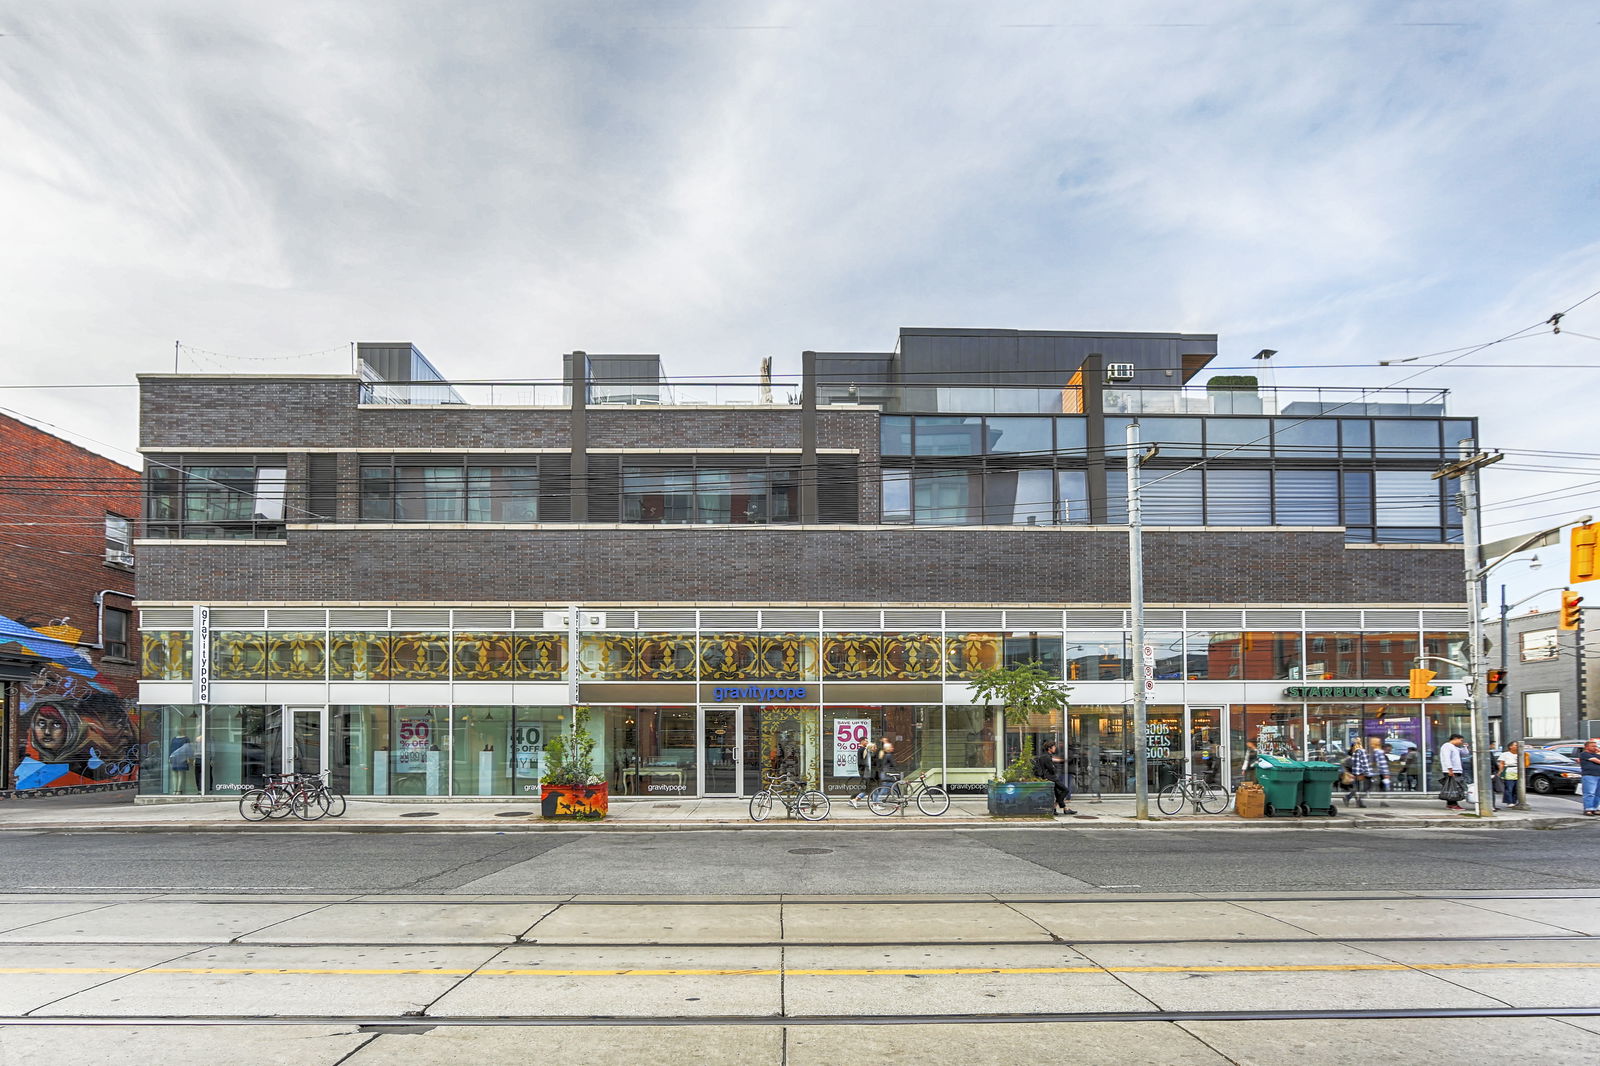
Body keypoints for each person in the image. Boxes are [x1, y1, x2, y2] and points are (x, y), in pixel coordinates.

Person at [1032, 740, 1076, 816]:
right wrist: (1054, 767)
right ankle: (1054, 807)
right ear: (1049, 748)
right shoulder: (1047, 757)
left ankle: (1064, 809)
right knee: (1065, 790)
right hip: (1051, 778)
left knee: (1058, 793)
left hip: (1048, 777)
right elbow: (1052, 769)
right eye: (1054, 746)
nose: (1055, 748)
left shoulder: (1044, 756)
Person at [1438, 733, 1467, 811]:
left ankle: (1450, 803)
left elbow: (1465, 753)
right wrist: (1450, 769)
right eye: (1460, 740)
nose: (1461, 742)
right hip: (1451, 770)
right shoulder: (1447, 746)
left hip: (1456, 770)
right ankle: (1453, 804)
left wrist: (1465, 747)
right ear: (1455, 739)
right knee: (1454, 787)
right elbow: (1447, 758)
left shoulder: (1455, 747)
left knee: (1453, 787)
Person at [849, 740, 879, 809]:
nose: (876, 748)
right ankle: (875, 804)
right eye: (875, 747)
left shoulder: (869, 754)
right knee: (874, 789)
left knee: (868, 790)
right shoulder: (870, 755)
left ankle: (855, 800)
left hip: (869, 775)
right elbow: (869, 766)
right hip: (870, 775)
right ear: (871, 748)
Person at [1366, 735, 1392, 807]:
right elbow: (1381, 764)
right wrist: (1385, 774)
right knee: (1384, 787)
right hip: (1379, 773)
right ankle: (1383, 801)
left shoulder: (1373, 752)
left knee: (1370, 787)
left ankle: (1383, 801)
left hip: (1374, 773)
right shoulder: (1379, 752)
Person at [1577, 740, 1600, 816]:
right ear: (1586, 747)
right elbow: (1597, 761)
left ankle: (1595, 808)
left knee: (1598, 793)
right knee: (1590, 793)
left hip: (1598, 775)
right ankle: (1588, 809)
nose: (1595, 747)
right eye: (1593, 746)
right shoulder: (1584, 754)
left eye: (1596, 746)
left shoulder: (1597, 754)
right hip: (1589, 775)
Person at [1497, 742, 1522, 807]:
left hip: (1519, 771)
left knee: (1516, 788)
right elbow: (1501, 763)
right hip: (1509, 771)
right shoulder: (1505, 754)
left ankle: (1514, 801)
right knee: (1509, 787)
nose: (1517, 747)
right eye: (1515, 745)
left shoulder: (1520, 754)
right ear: (1510, 747)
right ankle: (1509, 801)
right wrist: (1500, 771)